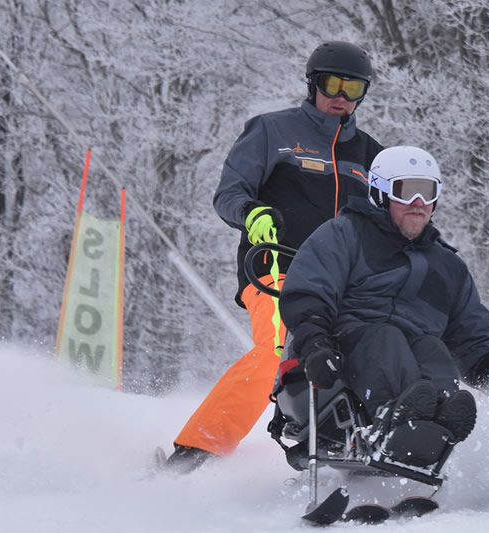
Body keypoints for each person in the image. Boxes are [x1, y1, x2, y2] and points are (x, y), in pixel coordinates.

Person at [164, 42, 383, 471]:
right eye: (332, 84)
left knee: (365, 356)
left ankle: (351, 455)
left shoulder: (371, 155)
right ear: (313, 84)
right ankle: (193, 455)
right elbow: (230, 193)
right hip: (277, 267)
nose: (341, 96)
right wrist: (252, 213)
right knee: (278, 349)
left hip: (344, 283)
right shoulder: (272, 131)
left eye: (353, 87)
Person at [278, 146, 489, 444]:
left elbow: (473, 337)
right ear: (381, 193)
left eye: (428, 192)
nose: (419, 202)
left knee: (431, 349)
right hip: (329, 366)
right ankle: (396, 422)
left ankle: (438, 429)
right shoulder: (343, 235)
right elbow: (308, 294)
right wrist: (316, 343)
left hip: (409, 369)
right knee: (386, 338)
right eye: (407, 191)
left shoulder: (446, 266)